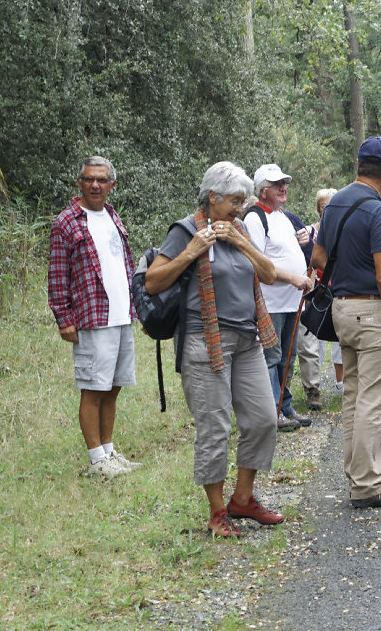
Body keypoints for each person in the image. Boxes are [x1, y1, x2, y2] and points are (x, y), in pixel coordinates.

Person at [145, 161, 284, 536]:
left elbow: (268, 274)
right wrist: (191, 251)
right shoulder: (185, 230)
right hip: (204, 340)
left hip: (247, 338)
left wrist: (240, 242)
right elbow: (153, 282)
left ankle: (243, 498)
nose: (240, 207)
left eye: (243, 200)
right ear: (212, 197)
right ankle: (217, 512)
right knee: (215, 427)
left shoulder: (239, 229)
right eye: (234, 201)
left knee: (262, 419)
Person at [311, 136, 381, 508]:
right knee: (374, 402)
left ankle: (363, 477)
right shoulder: (379, 211)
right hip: (374, 311)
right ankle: (369, 485)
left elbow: (319, 257)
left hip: (342, 309)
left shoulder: (334, 203)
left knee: (355, 398)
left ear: (358, 165)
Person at [48, 156, 141, 479]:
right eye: (89, 179)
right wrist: (64, 317)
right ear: (80, 182)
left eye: (102, 180)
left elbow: (124, 265)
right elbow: (57, 275)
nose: (95, 185)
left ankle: (109, 452)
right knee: (93, 388)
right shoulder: (67, 222)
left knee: (113, 386)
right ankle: (95, 460)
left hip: (120, 314)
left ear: (112, 185)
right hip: (91, 317)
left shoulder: (113, 217)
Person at [244, 164, 315, 431]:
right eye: (277, 184)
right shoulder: (255, 217)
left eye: (285, 182)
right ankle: (271, 412)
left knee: (288, 357)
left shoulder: (282, 216)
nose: (284, 187)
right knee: (271, 357)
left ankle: (285, 407)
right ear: (263, 191)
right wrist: (294, 278)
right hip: (270, 303)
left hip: (291, 302)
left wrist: (303, 244)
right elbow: (257, 264)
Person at [297, 188, 340, 407]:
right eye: (324, 206)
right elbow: (306, 263)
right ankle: (313, 389)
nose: (328, 210)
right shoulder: (309, 233)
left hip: (342, 291)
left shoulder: (345, 230)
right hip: (317, 294)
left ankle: (347, 385)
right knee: (311, 342)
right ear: (318, 208)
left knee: (345, 340)